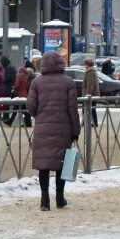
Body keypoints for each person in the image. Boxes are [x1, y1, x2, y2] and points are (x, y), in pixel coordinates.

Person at [27, 51, 81, 211]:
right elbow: (73, 109)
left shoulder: (36, 82)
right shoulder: (68, 82)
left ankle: (44, 200)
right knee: (61, 163)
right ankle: (59, 197)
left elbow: (30, 107)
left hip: (42, 127)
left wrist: (41, 115)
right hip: (63, 128)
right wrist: (75, 129)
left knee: (44, 165)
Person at [81, 57, 101, 127]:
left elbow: (90, 84)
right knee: (92, 109)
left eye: (85, 64)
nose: (84, 65)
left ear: (87, 65)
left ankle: (86, 122)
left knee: (86, 109)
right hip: (93, 94)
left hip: (90, 95)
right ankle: (93, 123)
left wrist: (88, 94)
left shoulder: (90, 72)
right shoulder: (92, 71)